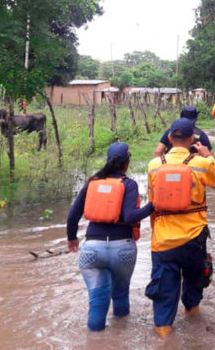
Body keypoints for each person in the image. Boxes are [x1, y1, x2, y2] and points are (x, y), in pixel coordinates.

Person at [145, 118, 215, 338]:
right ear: (192, 139)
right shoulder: (200, 164)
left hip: (163, 241)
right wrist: (208, 156)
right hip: (193, 239)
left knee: (164, 295)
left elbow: (153, 201)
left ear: (170, 138)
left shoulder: (154, 166)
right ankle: (195, 329)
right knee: (193, 287)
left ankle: (164, 339)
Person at [66, 142, 154, 331]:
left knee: (97, 303)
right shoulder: (129, 184)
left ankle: (96, 342)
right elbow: (130, 217)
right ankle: (120, 337)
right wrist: (153, 206)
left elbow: (73, 215)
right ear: (126, 163)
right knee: (120, 295)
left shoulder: (92, 182)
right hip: (122, 249)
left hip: (92, 249)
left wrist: (71, 238)